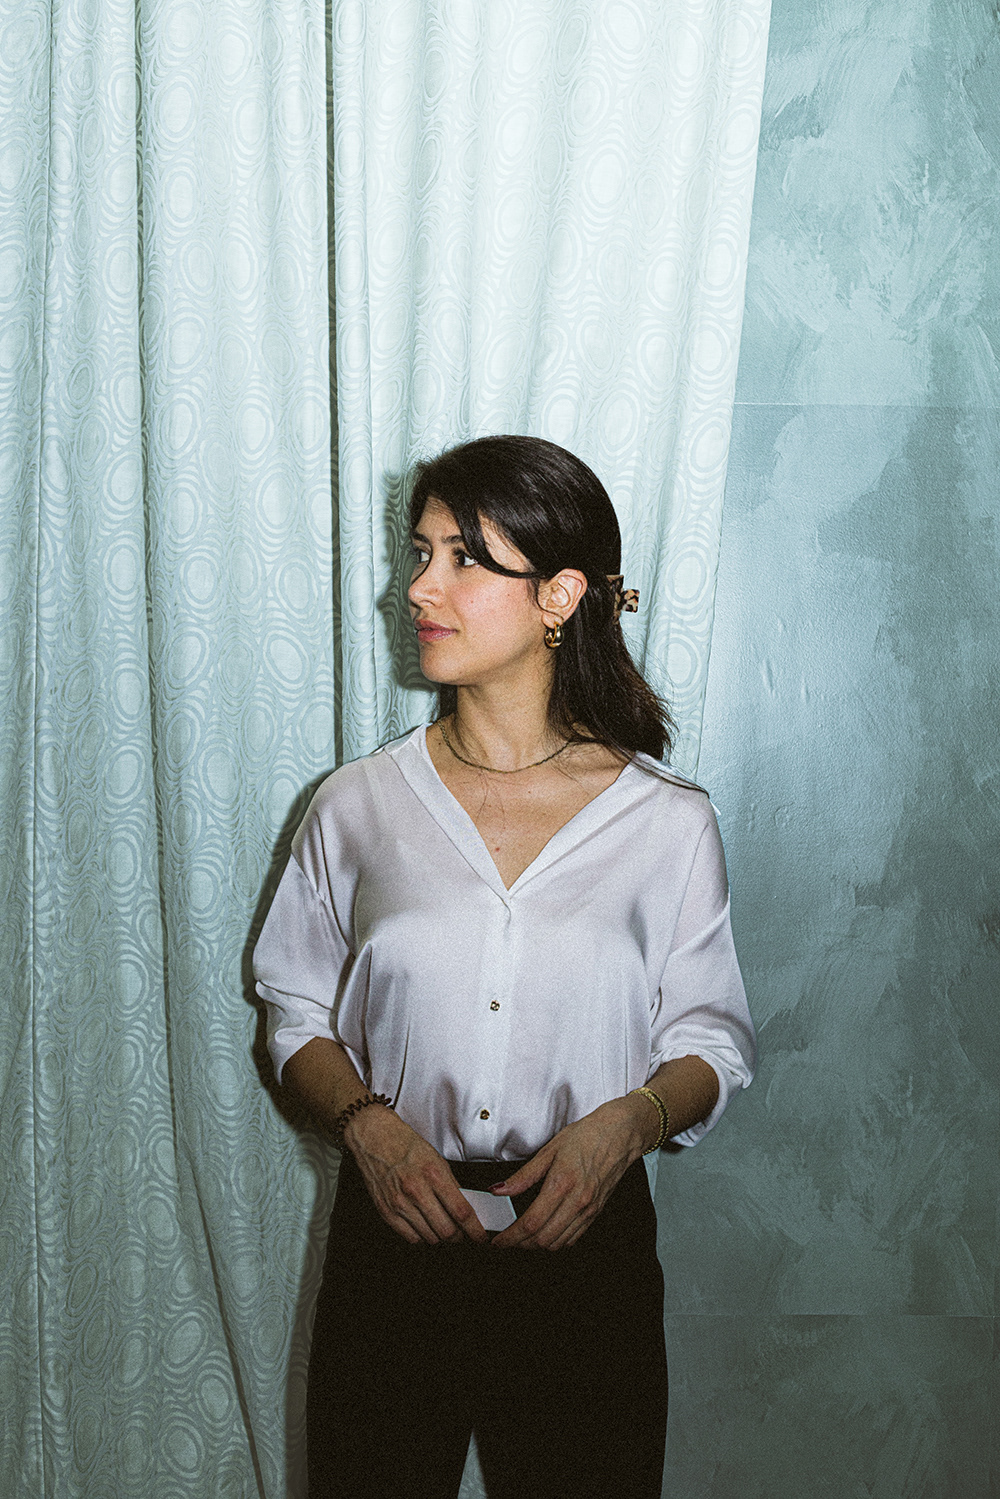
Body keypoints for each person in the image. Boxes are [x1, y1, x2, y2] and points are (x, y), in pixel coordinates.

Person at [253, 434, 756, 1499]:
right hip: (393, 1245)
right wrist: (366, 1127)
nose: (418, 588)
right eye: (420, 552)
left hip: (585, 1250)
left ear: (559, 596)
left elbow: (710, 1040)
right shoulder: (354, 804)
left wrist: (627, 1125)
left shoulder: (667, 822)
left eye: (463, 559)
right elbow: (295, 1010)